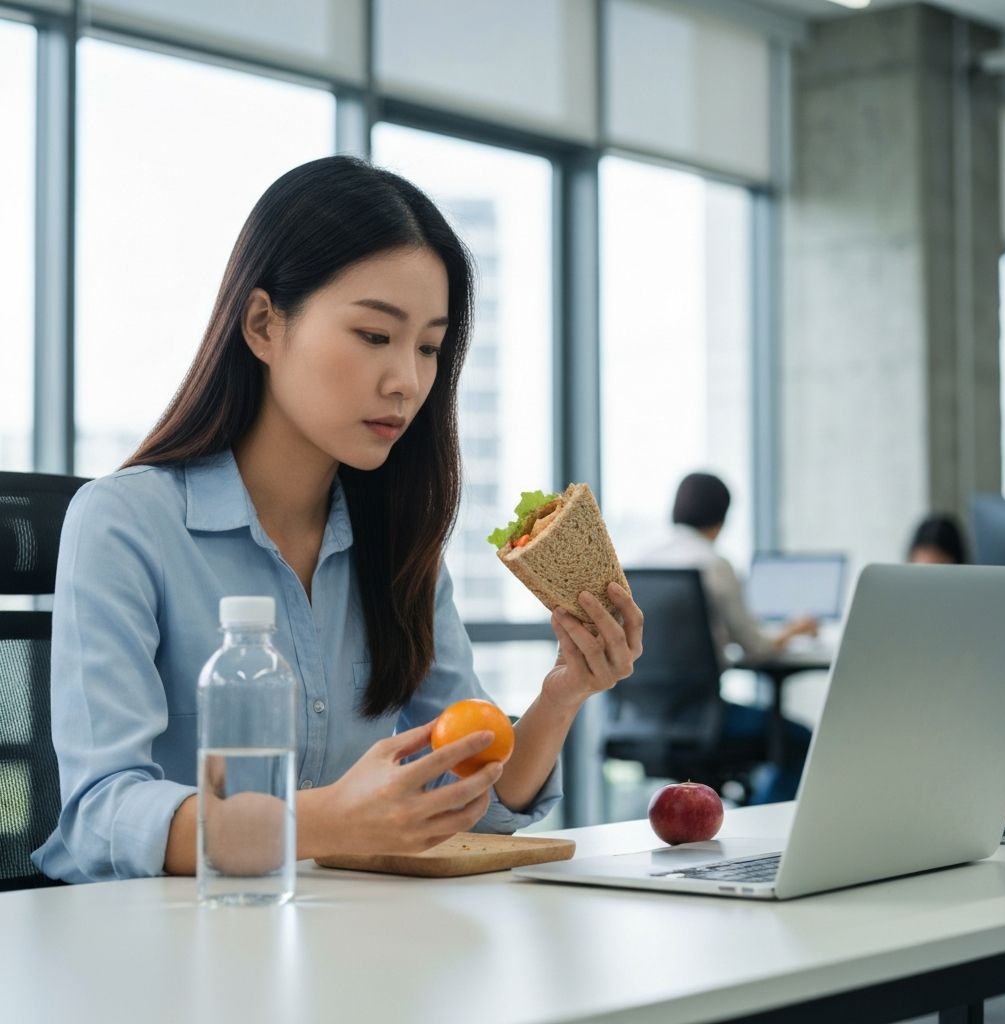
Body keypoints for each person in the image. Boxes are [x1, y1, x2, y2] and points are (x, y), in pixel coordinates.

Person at [33, 156, 643, 883]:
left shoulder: (399, 539)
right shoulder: (125, 523)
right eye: (375, 336)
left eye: (427, 347)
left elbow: (466, 800)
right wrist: (326, 820)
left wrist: (562, 693)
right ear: (263, 325)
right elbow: (103, 814)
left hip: (334, 943)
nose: (408, 381)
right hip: (161, 951)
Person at [635, 471, 813, 803]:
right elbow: (757, 648)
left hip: (641, 719)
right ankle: (766, 835)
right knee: (801, 740)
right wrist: (795, 629)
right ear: (722, 517)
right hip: (708, 721)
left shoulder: (641, 560)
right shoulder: (713, 564)